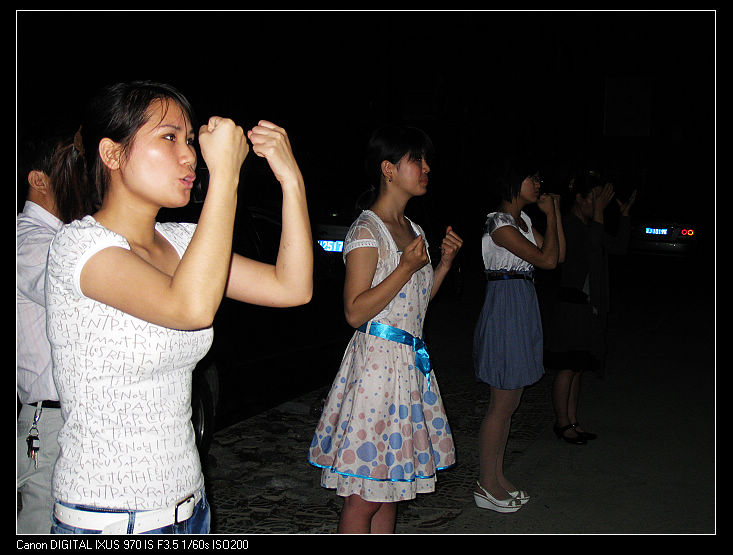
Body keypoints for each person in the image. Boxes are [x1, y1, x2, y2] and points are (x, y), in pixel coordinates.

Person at [44, 81, 313, 534]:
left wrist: (291, 179)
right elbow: (190, 308)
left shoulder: (183, 242)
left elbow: (292, 287)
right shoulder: (79, 247)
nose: (189, 155)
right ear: (112, 154)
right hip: (109, 519)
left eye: (189, 139)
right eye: (169, 137)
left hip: (190, 507)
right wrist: (225, 176)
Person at [308, 125, 462, 533]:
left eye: (426, 161)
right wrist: (406, 267)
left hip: (406, 367)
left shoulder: (414, 230)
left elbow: (414, 305)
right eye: (417, 160)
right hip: (376, 371)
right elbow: (355, 312)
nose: (426, 168)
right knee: (363, 497)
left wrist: (442, 265)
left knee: (391, 490)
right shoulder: (366, 230)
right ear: (388, 169)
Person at [472, 160, 564, 513]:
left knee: (511, 403)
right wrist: (551, 214)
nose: (539, 183)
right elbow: (548, 261)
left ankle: (496, 476)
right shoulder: (499, 224)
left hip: (521, 301)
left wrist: (553, 215)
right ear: (513, 180)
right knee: (501, 402)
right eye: (532, 177)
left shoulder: (522, 220)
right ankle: (486, 482)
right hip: (506, 304)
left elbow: (558, 254)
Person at [17, 125, 96, 534]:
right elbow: (79, 291)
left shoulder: (62, 237)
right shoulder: (28, 241)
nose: (84, 175)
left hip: (71, 418)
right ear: (39, 179)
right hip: (50, 422)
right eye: (74, 163)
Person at [546, 170, 635, 444]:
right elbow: (592, 248)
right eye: (594, 198)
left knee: (579, 367)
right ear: (579, 198)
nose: (599, 204)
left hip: (586, 306)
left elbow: (617, 247)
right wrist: (599, 215)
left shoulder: (588, 225)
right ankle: (562, 423)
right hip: (569, 304)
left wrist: (624, 216)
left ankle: (572, 421)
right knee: (567, 366)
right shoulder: (570, 224)